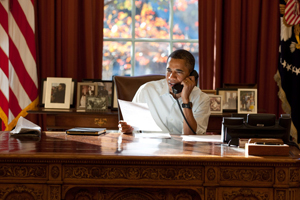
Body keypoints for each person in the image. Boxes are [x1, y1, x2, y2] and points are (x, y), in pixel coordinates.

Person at [119, 49, 211, 135]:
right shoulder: (146, 90)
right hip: (149, 150)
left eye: (178, 72)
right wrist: (126, 128)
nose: (171, 77)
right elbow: (131, 128)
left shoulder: (202, 100)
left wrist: (185, 100)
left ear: (191, 76)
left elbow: (191, 138)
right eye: (169, 71)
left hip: (182, 151)